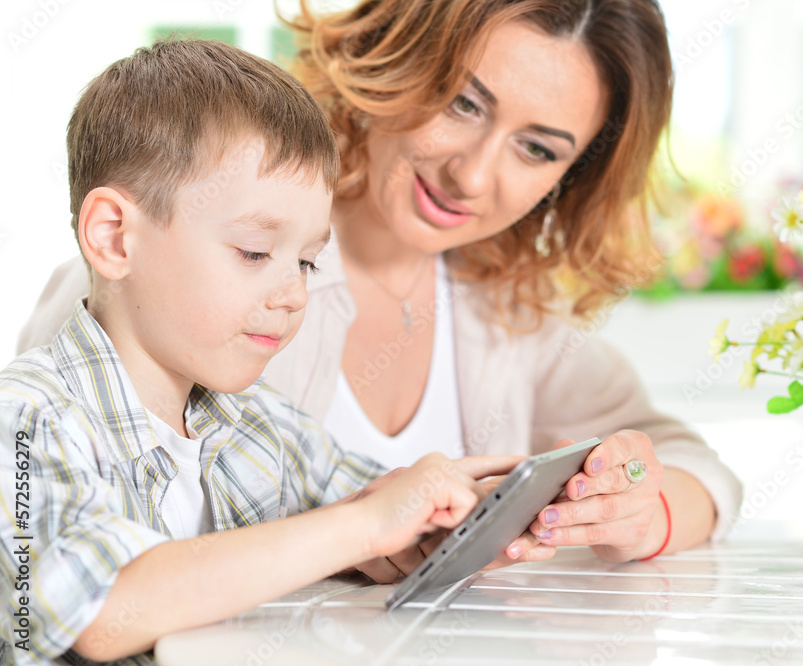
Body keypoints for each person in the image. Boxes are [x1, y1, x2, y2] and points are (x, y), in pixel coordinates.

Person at [18, 0, 743, 579]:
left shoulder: (503, 307)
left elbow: (695, 464)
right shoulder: (179, 277)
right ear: (393, 56)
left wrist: (644, 510)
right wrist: (358, 532)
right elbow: (61, 576)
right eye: (463, 103)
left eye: (537, 148)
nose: (474, 176)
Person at [0, 39, 523, 665]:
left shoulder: (260, 425)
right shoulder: (27, 417)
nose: (294, 293)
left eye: (306, 261)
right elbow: (96, 610)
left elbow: (369, 504)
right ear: (115, 237)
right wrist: (360, 528)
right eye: (254, 252)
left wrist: (456, 517)